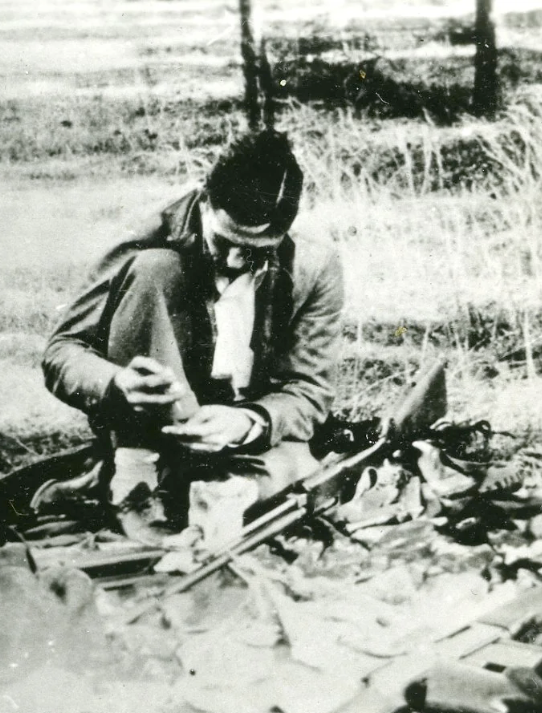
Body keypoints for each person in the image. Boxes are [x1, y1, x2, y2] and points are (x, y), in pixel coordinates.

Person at [41, 129, 343, 546]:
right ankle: (135, 480)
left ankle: (212, 495)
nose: (235, 260)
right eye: (226, 241)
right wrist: (118, 383)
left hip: (245, 441)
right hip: (152, 432)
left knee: (298, 471)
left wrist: (247, 421)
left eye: (256, 249)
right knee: (155, 269)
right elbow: (62, 352)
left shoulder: (312, 264)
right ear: (204, 200)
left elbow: (309, 390)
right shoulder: (146, 237)